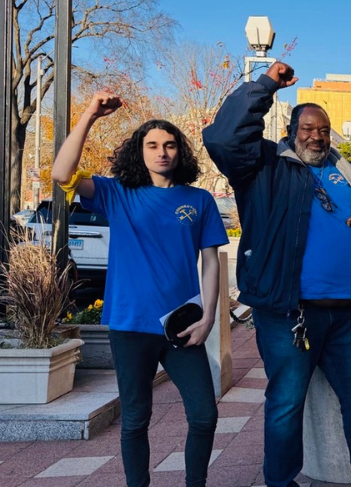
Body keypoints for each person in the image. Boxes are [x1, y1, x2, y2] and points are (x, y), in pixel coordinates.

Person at [203, 62, 351, 487]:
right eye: (307, 128)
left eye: (323, 130)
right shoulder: (264, 165)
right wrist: (265, 84)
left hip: (350, 313)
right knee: (286, 405)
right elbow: (223, 138)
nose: (316, 136)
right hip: (289, 312)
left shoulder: (349, 171)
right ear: (291, 131)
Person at [52, 92, 226, 487]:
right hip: (130, 325)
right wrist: (89, 115)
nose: (162, 152)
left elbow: (211, 262)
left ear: (180, 151)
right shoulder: (117, 193)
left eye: (170, 145)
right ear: (140, 151)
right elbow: (62, 174)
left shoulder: (199, 200)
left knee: (204, 414)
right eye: (152, 145)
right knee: (135, 418)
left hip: (182, 326)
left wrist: (208, 318)